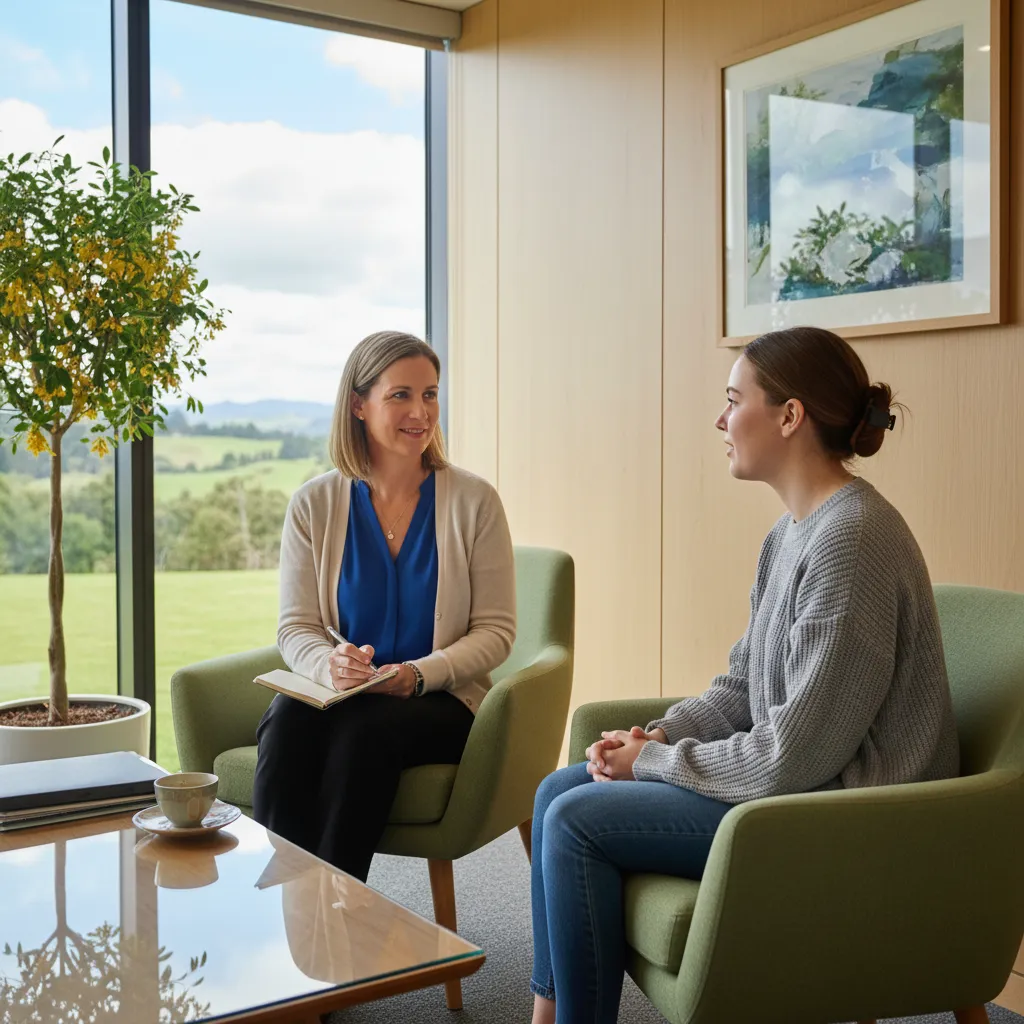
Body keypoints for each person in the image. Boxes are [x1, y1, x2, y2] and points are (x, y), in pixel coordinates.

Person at [529, 326, 960, 1024]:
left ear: (790, 416)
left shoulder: (852, 540)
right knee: (556, 791)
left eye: (734, 401)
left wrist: (659, 762)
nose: (721, 420)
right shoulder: (793, 531)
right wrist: (659, 733)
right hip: (802, 789)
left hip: (846, 817)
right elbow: (741, 687)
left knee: (577, 821)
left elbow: (795, 754)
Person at [253, 330, 516, 881]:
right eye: (401, 395)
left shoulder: (474, 502)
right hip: (345, 691)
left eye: (430, 394)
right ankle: (285, 904)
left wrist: (418, 674)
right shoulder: (314, 504)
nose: (420, 411)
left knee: (365, 732)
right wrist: (331, 665)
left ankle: (338, 907)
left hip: (441, 699)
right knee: (285, 722)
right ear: (358, 404)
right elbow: (297, 625)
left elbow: (496, 632)